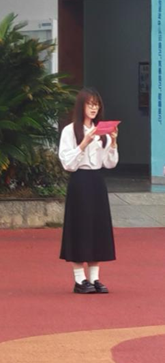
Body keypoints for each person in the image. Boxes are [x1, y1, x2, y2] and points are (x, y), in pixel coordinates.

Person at [59, 88, 119, 294]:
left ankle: (94, 278)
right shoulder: (70, 131)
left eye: (97, 104)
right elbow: (67, 164)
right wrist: (84, 143)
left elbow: (110, 163)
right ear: (81, 106)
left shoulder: (102, 131)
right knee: (80, 228)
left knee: (97, 228)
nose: (94, 108)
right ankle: (79, 279)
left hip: (97, 181)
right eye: (90, 104)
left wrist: (113, 141)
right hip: (80, 181)